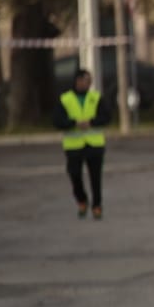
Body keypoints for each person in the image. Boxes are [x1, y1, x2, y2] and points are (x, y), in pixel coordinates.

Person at [54, 68, 111, 220]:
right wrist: (73, 123)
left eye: (89, 81)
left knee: (95, 177)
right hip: (73, 145)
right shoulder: (65, 99)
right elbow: (57, 121)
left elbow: (107, 116)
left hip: (94, 144)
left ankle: (97, 206)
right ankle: (81, 200)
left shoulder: (96, 97)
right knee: (75, 175)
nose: (88, 84)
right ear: (77, 81)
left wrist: (91, 122)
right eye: (86, 80)